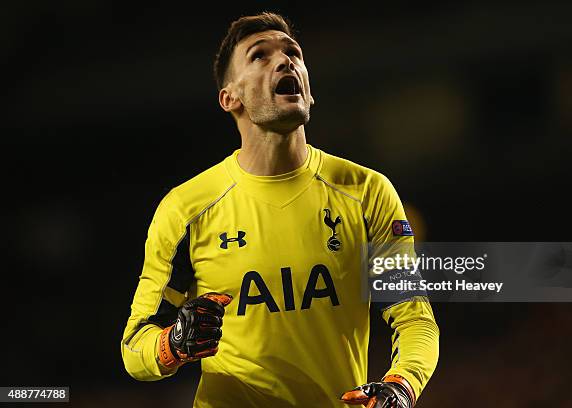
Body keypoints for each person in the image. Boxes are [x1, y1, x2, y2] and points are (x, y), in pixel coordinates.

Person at [120, 12, 439, 408]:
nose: (285, 61)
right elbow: (135, 347)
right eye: (259, 56)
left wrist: (401, 385)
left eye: (294, 53)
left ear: (309, 89)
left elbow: (414, 320)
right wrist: (174, 343)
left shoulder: (367, 192)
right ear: (229, 97)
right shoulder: (187, 208)